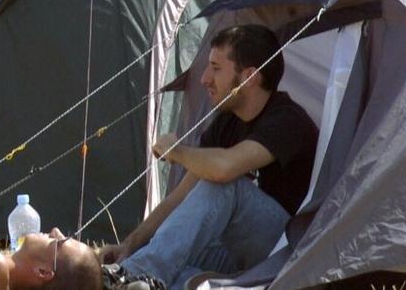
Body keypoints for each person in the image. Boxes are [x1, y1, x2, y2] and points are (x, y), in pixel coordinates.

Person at [100, 24, 319, 290]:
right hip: (234, 253)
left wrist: (177, 151)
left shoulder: (288, 121)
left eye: (216, 68)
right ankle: (141, 277)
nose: (204, 79)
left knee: (225, 186)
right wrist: (130, 244)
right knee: (168, 250)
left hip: (284, 249)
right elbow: (180, 198)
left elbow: (224, 170)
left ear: (249, 77)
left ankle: (126, 278)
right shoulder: (227, 122)